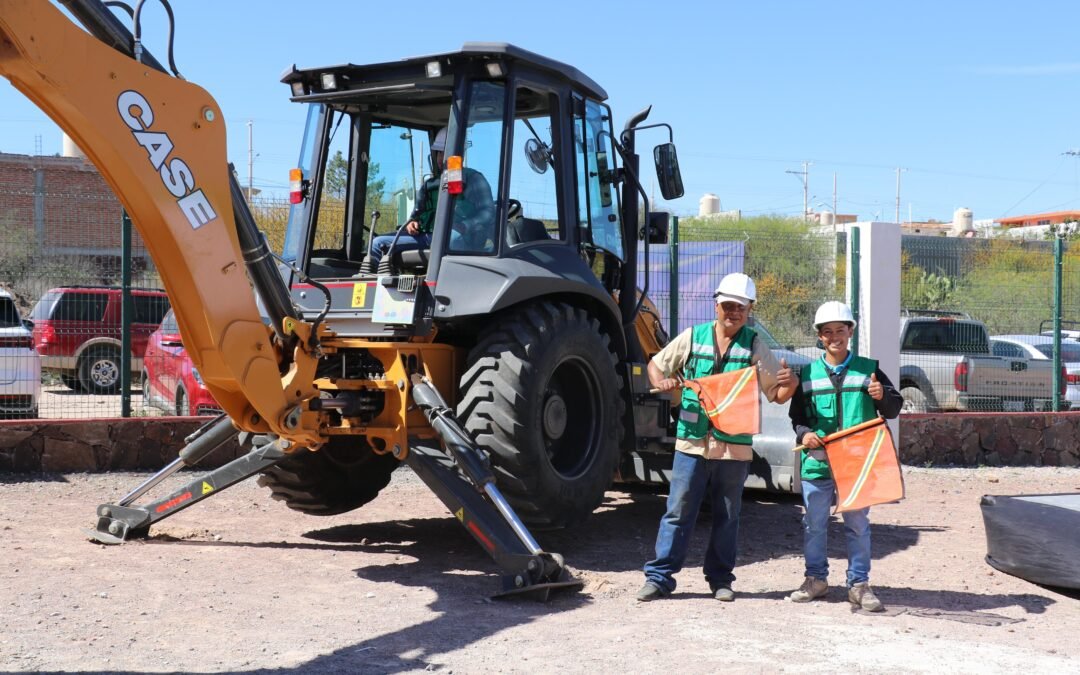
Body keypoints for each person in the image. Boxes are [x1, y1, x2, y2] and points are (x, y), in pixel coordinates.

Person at [637, 272, 796, 602]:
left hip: (733, 449)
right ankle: (659, 577)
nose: (733, 312)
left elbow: (775, 394)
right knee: (679, 511)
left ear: (749, 308)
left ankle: (721, 579)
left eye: (740, 306)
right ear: (716, 305)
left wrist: (790, 383)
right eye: (727, 305)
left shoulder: (754, 345)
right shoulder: (693, 338)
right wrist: (663, 383)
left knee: (728, 516)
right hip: (692, 442)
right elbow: (656, 366)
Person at [787, 300, 903, 612]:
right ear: (819, 336)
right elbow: (797, 417)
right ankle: (816, 580)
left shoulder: (869, 370)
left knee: (857, 524)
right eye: (828, 332)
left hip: (857, 465)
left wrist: (883, 396)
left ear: (850, 332)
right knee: (814, 524)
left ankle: (859, 585)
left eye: (840, 330)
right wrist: (804, 434)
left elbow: (892, 408)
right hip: (818, 463)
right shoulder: (807, 374)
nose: (834, 336)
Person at [366, 127, 495, 269]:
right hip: (427, 236)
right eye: (439, 153)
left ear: (460, 154)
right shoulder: (430, 185)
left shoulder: (474, 179)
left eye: (445, 153)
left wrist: (465, 225)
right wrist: (411, 224)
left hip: (461, 238)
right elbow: (415, 216)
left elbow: (488, 212)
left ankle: (447, 284)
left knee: (451, 239)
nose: (441, 158)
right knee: (377, 243)